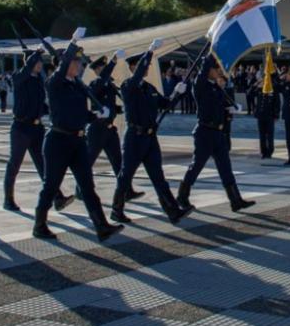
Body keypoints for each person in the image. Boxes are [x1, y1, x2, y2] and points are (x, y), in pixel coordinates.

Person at [31, 28, 121, 242]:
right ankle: (39, 224)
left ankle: (101, 226)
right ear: (67, 63)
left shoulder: (77, 86)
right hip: (58, 141)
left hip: (78, 141)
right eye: (77, 62)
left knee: (87, 185)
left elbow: (80, 114)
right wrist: (72, 42)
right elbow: (61, 70)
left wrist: (97, 115)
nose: (80, 67)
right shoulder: (54, 83)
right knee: (51, 186)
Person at [111, 39, 192, 225]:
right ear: (133, 67)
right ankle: (117, 209)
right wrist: (149, 52)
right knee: (126, 176)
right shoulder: (127, 86)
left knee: (158, 176)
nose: (146, 68)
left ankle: (173, 211)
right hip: (134, 138)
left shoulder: (149, 89)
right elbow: (139, 73)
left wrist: (179, 92)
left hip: (149, 137)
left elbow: (165, 104)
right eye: (141, 65)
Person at [177, 54, 255, 213]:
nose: (218, 71)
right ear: (208, 70)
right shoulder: (200, 84)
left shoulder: (215, 87)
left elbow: (220, 107)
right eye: (215, 68)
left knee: (226, 168)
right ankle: (182, 196)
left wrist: (231, 109)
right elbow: (204, 71)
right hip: (205, 132)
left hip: (218, 133)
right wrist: (211, 54)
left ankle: (235, 200)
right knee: (196, 166)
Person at [4, 48, 74, 213]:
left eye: (40, 62)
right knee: (14, 164)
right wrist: (35, 53)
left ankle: (57, 198)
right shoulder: (18, 77)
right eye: (37, 62)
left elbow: (41, 105)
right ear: (29, 63)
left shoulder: (38, 81)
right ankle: (8, 199)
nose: (40, 65)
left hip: (36, 128)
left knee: (45, 165)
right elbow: (25, 71)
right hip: (21, 128)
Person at [84, 53, 144, 202]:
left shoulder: (109, 84)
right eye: (104, 68)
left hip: (110, 130)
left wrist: (119, 109)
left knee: (119, 163)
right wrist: (112, 63)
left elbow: (111, 103)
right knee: (87, 162)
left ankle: (127, 190)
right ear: (98, 70)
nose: (106, 71)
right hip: (97, 129)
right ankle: (81, 189)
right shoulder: (94, 84)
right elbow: (96, 95)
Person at [249, 77, 279, 158]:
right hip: (260, 115)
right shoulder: (259, 89)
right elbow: (249, 94)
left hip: (270, 115)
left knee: (269, 135)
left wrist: (276, 115)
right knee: (262, 135)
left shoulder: (272, 90)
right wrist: (255, 85)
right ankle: (263, 151)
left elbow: (277, 103)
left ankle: (270, 151)